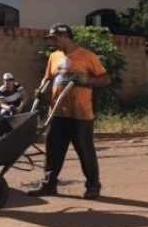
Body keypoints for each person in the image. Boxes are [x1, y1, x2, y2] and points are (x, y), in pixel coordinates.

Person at [28, 23, 110, 200]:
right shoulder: (54, 57)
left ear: (66, 37)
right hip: (57, 112)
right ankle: (49, 185)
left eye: (55, 38)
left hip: (80, 115)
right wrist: (41, 91)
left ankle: (93, 186)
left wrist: (87, 80)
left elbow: (105, 79)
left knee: (85, 151)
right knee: (53, 151)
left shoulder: (87, 56)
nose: (53, 42)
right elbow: (48, 79)